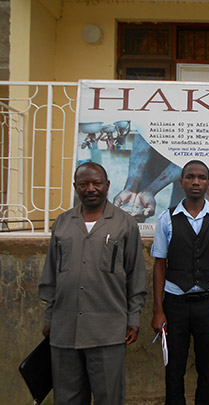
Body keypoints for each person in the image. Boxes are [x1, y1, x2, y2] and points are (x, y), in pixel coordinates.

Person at [38, 162, 147, 405]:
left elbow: (136, 276)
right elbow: (51, 276)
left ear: (107, 186)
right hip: (65, 330)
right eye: (84, 184)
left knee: (108, 397)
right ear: (75, 187)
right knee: (66, 398)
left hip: (108, 330)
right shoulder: (63, 223)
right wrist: (49, 319)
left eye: (97, 183)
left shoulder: (124, 223)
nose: (91, 189)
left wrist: (133, 317)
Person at [151, 160, 209, 405]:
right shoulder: (167, 218)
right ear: (181, 182)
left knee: (207, 366)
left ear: (208, 183)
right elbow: (159, 265)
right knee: (174, 365)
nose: (195, 182)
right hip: (175, 303)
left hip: (208, 303)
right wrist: (158, 309)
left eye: (201, 177)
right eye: (190, 177)